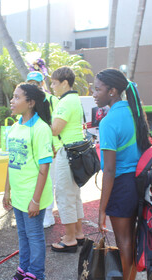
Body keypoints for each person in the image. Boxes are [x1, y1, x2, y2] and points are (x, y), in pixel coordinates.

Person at [93, 68, 152, 280]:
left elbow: (109, 171)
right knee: (133, 237)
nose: (94, 94)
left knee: (124, 240)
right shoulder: (135, 112)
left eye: (97, 89)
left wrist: (101, 209)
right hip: (140, 183)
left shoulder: (108, 122)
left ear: (112, 91)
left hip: (121, 185)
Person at [2, 83, 53, 280]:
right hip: (19, 195)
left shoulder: (41, 128)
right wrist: (6, 192)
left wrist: (35, 200)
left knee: (34, 236)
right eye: (12, 97)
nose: (12, 101)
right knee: (22, 235)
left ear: (30, 102)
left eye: (16, 97)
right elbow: (11, 162)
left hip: (34, 196)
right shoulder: (15, 127)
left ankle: (37, 278)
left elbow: (44, 167)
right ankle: (24, 272)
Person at [49, 66, 85, 253]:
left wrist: (40, 125)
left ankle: (70, 238)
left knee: (64, 195)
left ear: (65, 83)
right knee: (73, 195)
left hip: (67, 152)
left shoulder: (64, 103)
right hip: (76, 151)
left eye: (54, 83)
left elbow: (55, 129)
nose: (52, 86)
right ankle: (77, 233)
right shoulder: (73, 99)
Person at [26, 70, 59, 228]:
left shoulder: (51, 99)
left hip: (49, 146)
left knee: (48, 181)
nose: (34, 86)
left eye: (36, 83)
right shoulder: (26, 102)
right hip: (31, 147)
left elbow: (55, 125)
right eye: (30, 83)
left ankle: (48, 215)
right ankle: (36, 211)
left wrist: (53, 144)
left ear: (42, 84)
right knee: (35, 180)